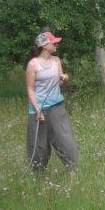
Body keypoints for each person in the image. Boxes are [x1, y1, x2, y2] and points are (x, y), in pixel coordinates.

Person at [25, 31, 79, 172]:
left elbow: (60, 83)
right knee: (40, 147)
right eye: (53, 42)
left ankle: (72, 171)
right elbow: (30, 89)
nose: (56, 44)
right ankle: (38, 175)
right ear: (44, 46)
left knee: (66, 141)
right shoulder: (33, 64)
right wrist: (37, 109)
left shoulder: (56, 60)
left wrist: (65, 79)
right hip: (39, 110)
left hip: (57, 107)